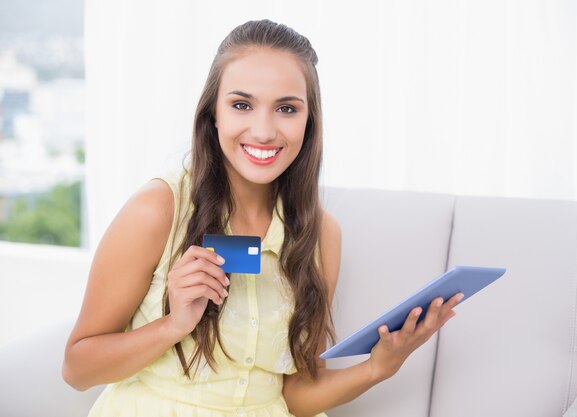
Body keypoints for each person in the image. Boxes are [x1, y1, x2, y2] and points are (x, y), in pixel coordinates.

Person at [62, 19, 464, 417]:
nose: (264, 130)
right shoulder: (158, 209)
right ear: (213, 113)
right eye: (241, 105)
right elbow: (77, 370)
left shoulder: (321, 235)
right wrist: (173, 324)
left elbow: (293, 395)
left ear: (309, 123)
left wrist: (378, 368)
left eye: (287, 109)